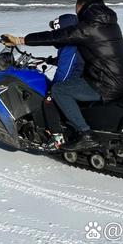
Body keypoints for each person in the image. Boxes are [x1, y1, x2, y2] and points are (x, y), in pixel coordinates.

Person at [1, 0, 123, 151]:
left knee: (59, 90)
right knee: (72, 86)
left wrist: (20, 40)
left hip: (106, 85)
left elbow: (58, 36)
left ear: (82, 5)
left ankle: (85, 133)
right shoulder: (109, 24)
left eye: (76, 6)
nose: (76, 10)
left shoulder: (90, 27)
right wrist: (51, 60)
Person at [42, 13, 84, 150]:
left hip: (77, 82)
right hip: (85, 79)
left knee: (49, 99)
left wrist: (52, 88)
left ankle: (57, 138)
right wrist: (52, 61)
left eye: (57, 31)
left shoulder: (69, 46)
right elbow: (75, 62)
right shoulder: (79, 42)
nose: (55, 34)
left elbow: (64, 73)